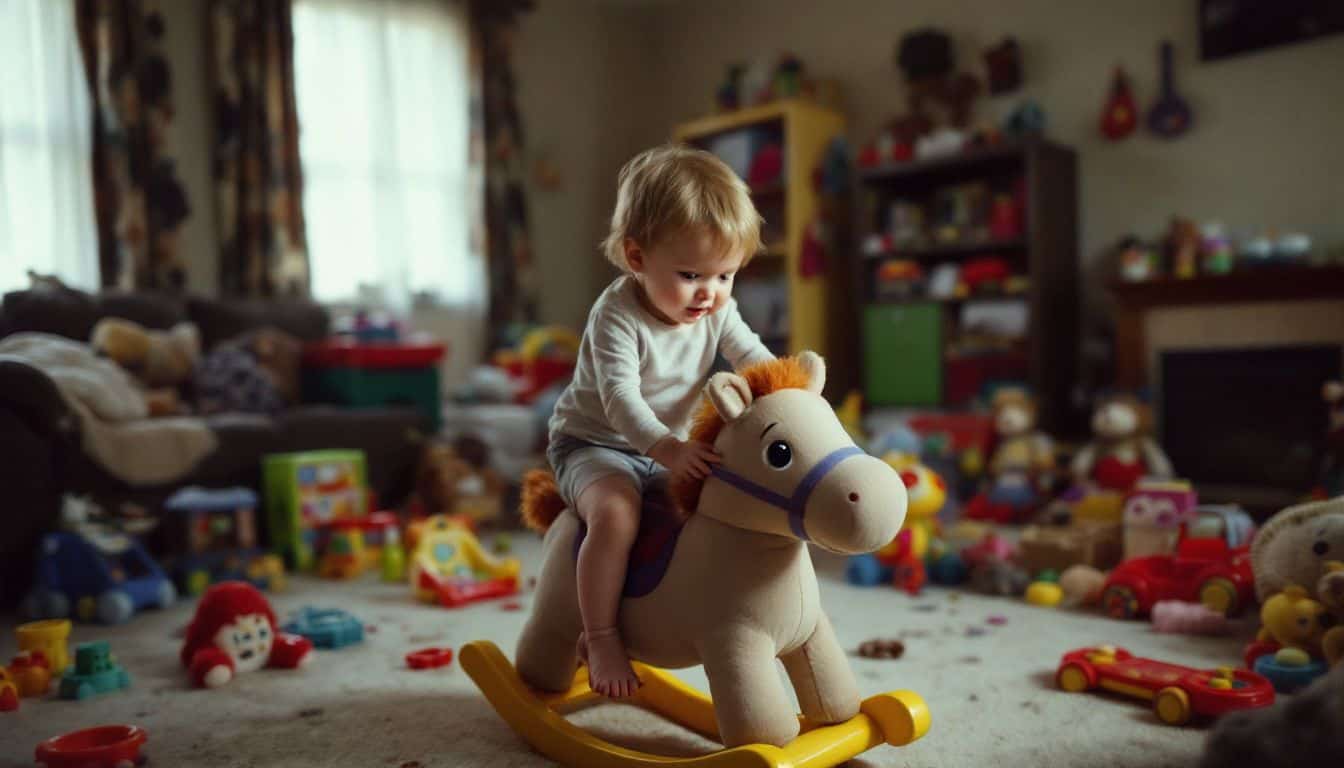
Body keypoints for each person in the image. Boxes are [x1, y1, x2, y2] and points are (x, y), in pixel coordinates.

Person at [546, 144, 775, 698]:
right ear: (637, 258)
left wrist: (787, 392)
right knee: (619, 516)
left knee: (718, 505)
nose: (710, 293)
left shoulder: (716, 306)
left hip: (664, 445)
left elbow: (752, 354)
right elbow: (621, 399)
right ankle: (599, 636)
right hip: (592, 443)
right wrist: (668, 451)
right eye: (692, 274)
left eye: (726, 275)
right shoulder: (616, 316)